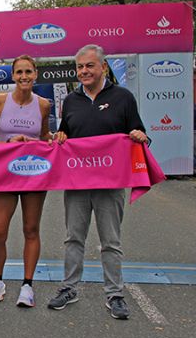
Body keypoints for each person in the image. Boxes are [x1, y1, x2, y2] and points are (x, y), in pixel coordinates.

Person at [47, 44, 148, 320]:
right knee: (73, 238)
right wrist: (60, 137)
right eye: (80, 67)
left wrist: (140, 135)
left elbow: (139, 132)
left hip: (110, 184)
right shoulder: (70, 101)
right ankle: (69, 288)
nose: (84, 71)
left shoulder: (123, 97)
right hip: (77, 183)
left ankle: (115, 294)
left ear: (103, 67)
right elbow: (64, 134)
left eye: (89, 65)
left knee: (111, 241)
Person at [0, 55, 54, 307]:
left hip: (34, 174)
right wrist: (5, 144)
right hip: (5, 175)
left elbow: (45, 134)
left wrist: (50, 140)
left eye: (28, 71)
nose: (24, 76)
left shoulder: (44, 104)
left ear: (36, 73)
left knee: (30, 229)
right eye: (19, 72)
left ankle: (27, 285)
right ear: (13, 76)